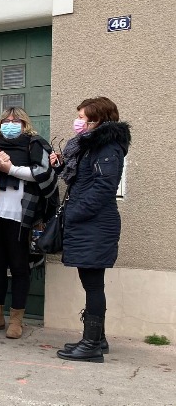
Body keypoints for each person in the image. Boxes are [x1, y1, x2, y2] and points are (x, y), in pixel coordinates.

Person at [52, 97, 130, 363]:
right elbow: (83, 178)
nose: (78, 122)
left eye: (82, 117)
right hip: (89, 223)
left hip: (95, 224)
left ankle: (91, 345)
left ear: (98, 120)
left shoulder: (107, 146)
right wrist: (60, 165)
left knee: (93, 285)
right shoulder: (89, 145)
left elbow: (103, 187)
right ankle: (98, 339)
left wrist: (74, 213)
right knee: (92, 284)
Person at [0, 107, 55, 339]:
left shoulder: (35, 144)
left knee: (20, 267)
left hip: (20, 215)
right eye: (6, 120)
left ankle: (16, 320)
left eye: (16, 120)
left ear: (24, 124)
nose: (10, 123)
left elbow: (43, 173)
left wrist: (10, 169)